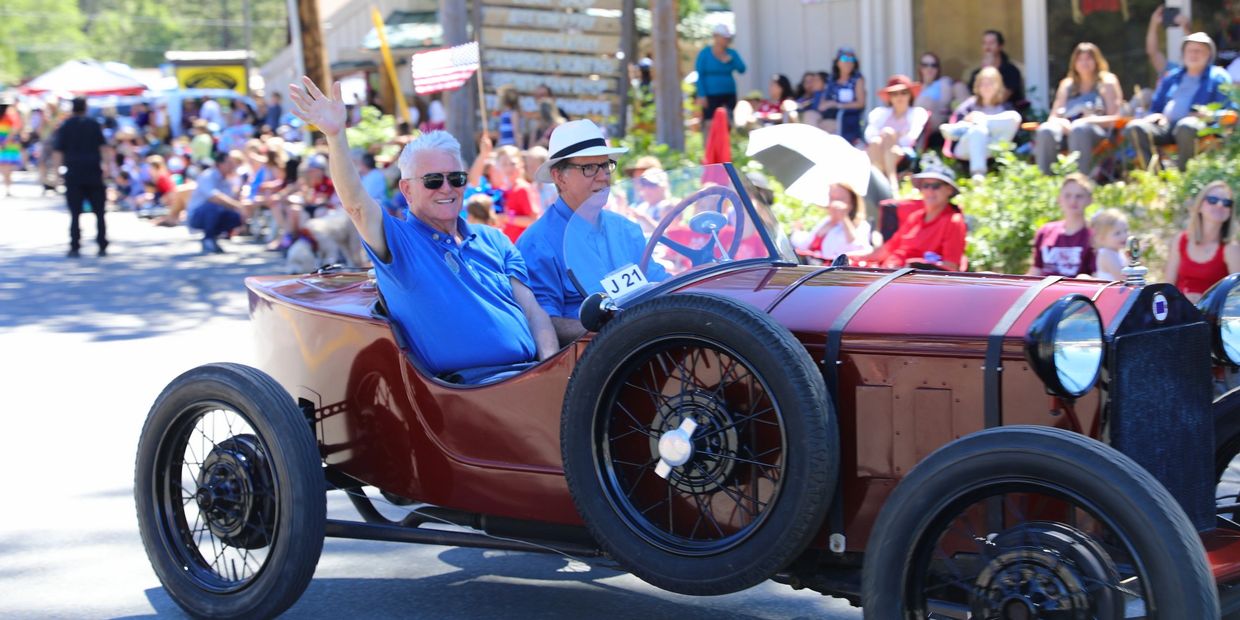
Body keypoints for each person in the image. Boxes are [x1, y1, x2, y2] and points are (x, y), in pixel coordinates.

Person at [287, 76, 557, 382]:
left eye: (455, 178)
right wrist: (336, 137)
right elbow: (357, 205)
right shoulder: (400, 241)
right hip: (467, 392)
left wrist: (548, 371)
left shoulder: (492, 238)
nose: (446, 188)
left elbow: (534, 313)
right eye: (432, 180)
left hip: (531, 378)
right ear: (407, 189)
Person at [517, 119, 667, 345]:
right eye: (589, 168)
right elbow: (542, 321)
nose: (603, 176)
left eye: (605, 166)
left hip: (649, 345)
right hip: (592, 362)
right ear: (559, 177)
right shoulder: (537, 243)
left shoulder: (626, 229)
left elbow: (661, 283)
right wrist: (614, 329)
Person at [1125, 32, 1233, 171]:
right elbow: (1156, 106)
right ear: (1183, 55)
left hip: (1199, 127)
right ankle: (1154, 176)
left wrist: (1208, 115)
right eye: (1190, 50)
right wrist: (1155, 115)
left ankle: (1182, 176)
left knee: (1185, 126)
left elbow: (1229, 111)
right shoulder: (1171, 77)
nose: (1193, 54)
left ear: (1209, 55)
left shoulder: (1218, 77)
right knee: (1134, 127)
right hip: (1166, 125)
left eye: (1198, 50)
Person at [1034, 43, 1124, 176]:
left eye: (1088, 58)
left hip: (1096, 132)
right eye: (1080, 59)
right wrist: (1063, 123)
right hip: (1067, 130)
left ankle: (1080, 181)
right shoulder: (1067, 85)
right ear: (1074, 63)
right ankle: (1046, 181)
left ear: (1097, 61)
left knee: (1079, 128)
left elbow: (1116, 118)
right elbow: (1053, 117)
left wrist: (1090, 121)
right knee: (1046, 130)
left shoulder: (1107, 82)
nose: (1084, 63)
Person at [858, 161, 967, 271]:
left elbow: (950, 267)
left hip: (913, 281)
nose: (929, 191)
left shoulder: (953, 221)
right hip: (889, 273)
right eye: (926, 185)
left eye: (936, 186)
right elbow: (886, 250)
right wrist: (856, 258)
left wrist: (916, 265)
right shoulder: (915, 217)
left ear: (949, 190)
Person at [53, 97, 111, 258]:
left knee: (75, 212)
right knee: (99, 211)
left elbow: (58, 151)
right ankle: (102, 243)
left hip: (74, 172)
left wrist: (57, 172)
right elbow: (104, 147)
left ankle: (75, 245)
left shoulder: (65, 126)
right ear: (86, 108)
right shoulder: (94, 124)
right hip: (93, 171)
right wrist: (107, 166)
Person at [1165, 180, 1240, 302]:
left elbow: (1237, 300)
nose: (1220, 205)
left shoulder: (1231, 249)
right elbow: (1168, 287)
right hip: (1179, 314)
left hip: (1211, 319)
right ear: (1199, 206)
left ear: (1230, 211)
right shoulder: (1181, 240)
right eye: (1213, 200)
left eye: (1227, 203)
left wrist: (1204, 301)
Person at [941, 66, 1022, 179]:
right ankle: (978, 173)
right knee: (978, 130)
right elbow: (954, 143)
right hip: (967, 148)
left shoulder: (1005, 108)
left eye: (990, 83)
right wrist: (967, 121)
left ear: (998, 86)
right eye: (983, 83)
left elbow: (1010, 135)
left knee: (1014, 117)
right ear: (977, 86)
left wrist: (979, 119)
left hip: (993, 147)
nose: (986, 87)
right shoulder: (968, 106)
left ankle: (968, 125)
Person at [865, 75, 930, 189]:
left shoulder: (917, 113)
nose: (899, 97)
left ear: (910, 95)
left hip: (903, 153)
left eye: (903, 92)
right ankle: (890, 182)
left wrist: (890, 137)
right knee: (876, 141)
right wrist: (890, 138)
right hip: (879, 149)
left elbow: (910, 139)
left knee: (887, 133)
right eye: (895, 94)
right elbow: (869, 136)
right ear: (890, 97)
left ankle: (886, 183)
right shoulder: (880, 113)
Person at [1028, 173, 1097, 277]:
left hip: (1077, 292)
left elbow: (1098, 277)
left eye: (1079, 196)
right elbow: (1036, 270)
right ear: (1059, 199)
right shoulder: (1045, 231)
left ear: (1089, 200)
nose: (1073, 201)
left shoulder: (1095, 236)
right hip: (1044, 290)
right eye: (1067, 195)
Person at [790, 183, 873, 262]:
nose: (834, 203)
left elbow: (858, 247)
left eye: (840, 199)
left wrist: (844, 218)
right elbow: (804, 244)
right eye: (831, 198)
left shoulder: (861, 225)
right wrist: (796, 231)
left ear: (852, 203)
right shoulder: (826, 221)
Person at [186, 150, 249, 254]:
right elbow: (214, 197)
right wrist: (238, 206)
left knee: (235, 216)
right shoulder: (207, 176)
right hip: (197, 216)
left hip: (215, 213)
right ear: (220, 164)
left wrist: (240, 186)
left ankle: (213, 237)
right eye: (229, 163)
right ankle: (208, 238)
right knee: (213, 207)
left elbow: (231, 199)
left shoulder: (227, 180)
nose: (232, 166)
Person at [694, 23, 747, 133]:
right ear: (716, 36)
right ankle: (709, 148)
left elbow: (742, 69)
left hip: (728, 94)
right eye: (724, 37)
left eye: (728, 38)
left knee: (727, 122)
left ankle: (726, 148)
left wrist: (732, 60)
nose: (726, 40)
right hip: (710, 95)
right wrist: (702, 94)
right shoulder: (705, 53)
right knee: (710, 123)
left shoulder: (731, 53)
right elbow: (700, 74)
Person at [815, 48, 866, 143]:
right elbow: (822, 105)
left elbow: (860, 103)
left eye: (852, 59)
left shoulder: (857, 79)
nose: (848, 62)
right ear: (837, 62)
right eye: (845, 59)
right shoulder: (831, 80)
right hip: (829, 115)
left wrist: (836, 104)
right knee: (811, 117)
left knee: (827, 128)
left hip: (847, 117)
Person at [965, 30, 1026, 110]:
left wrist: (990, 70)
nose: (987, 47)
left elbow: (1002, 98)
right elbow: (973, 98)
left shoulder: (1011, 70)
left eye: (991, 43)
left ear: (1000, 46)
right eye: (984, 43)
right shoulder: (977, 73)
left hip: (1005, 112)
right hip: (979, 113)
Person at [914, 52, 955, 149]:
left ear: (938, 68)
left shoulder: (943, 82)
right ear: (920, 68)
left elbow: (944, 104)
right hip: (916, 124)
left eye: (933, 65)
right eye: (925, 65)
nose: (929, 68)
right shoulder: (915, 87)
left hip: (936, 123)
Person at [1090, 208, 1130, 281]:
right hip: (1111, 291)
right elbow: (1122, 278)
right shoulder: (1107, 254)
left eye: (1125, 230)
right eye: (1117, 233)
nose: (1124, 236)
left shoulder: (1118, 252)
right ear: (1102, 238)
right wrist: (1132, 259)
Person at [0, 96, 21, 197]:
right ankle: (7, 188)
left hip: (6, 145)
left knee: (4, 168)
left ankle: (7, 187)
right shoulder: (11, 115)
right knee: (7, 168)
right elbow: (14, 129)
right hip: (9, 145)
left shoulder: (10, 115)